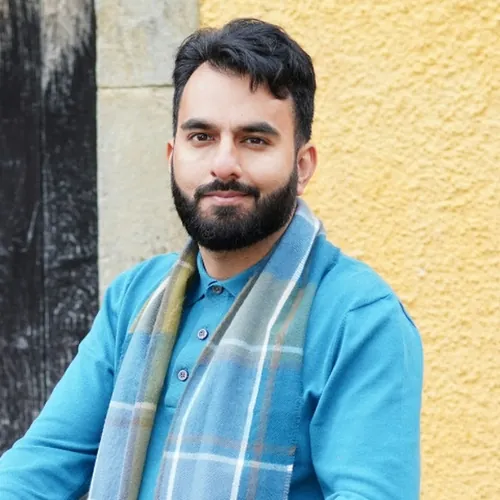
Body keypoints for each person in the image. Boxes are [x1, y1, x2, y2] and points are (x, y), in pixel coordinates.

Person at [0, 18, 423, 500]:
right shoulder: (134, 298)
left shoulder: (358, 318)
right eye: (201, 137)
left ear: (302, 166)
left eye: (254, 139)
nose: (223, 164)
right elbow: (41, 466)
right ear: (172, 155)